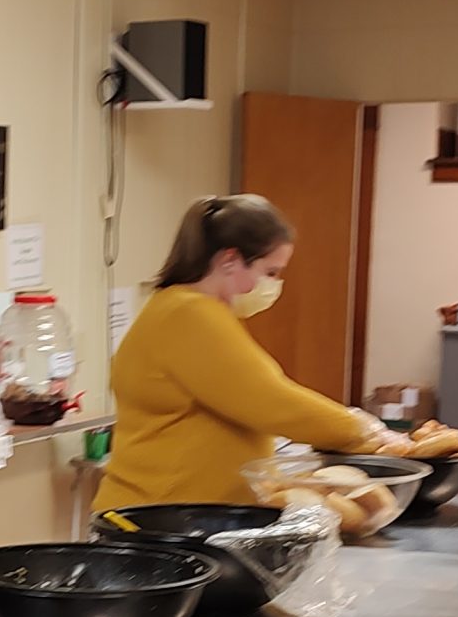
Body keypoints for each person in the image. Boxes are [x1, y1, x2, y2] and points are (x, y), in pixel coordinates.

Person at [98, 193, 397, 512]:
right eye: (270, 272)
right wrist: (361, 428)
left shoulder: (180, 308)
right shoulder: (190, 315)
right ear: (229, 260)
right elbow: (273, 401)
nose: (274, 285)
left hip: (174, 512)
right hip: (159, 516)